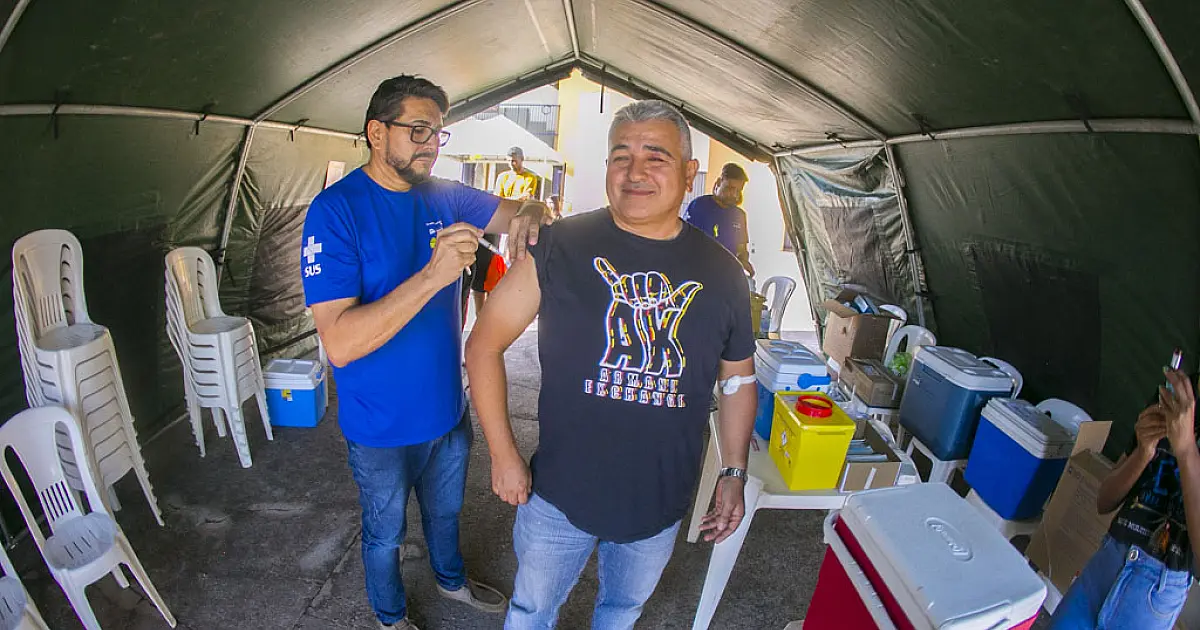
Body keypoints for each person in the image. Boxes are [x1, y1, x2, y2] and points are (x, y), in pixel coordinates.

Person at [465, 100, 758, 629]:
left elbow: (737, 381)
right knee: (531, 611)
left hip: (658, 501)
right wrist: (503, 454)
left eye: (656, 156)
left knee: (621, 612)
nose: (635, 171)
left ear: (690, 173)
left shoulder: (723, 274)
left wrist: (734, 472)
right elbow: (483, 344)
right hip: (557, 495)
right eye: (620, 155)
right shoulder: (560, 246)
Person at [301, 75, 549, 630]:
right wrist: (434, 275)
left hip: (447, 410)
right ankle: (390, 616)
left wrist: (533, 205)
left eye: (438, 132)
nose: (430, 144)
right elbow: (339, 342)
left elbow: (517, 215)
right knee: (385, 532)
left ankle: (451, 581)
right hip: (380, 425)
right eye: (417, 130)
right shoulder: (335, 211)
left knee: (446, 513)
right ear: (375, 132)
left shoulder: (448, 194)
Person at [1049, 369, 1199, 629]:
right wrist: (1143, 452)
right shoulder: (1172, 394)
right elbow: (1104, 500)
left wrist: (1186, 451)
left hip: (1155, 592)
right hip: (1106, 561)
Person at [468, 147, 539, 315]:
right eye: (509, 160)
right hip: (499, 225)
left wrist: (507, 202)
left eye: (514, 160)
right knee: (489, 265)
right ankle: (483, 312)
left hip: (518, 223)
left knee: (511, 259)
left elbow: (525, 199)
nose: (511, 163)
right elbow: (496, 200)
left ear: (521, 159)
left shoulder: (530, 177)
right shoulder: (503, 177)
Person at [682, 162, 754, 276]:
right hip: (697, 273)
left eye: (738, 191)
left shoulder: (739, 215)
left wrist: (744, 262)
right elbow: (683, 240)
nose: (734, 195)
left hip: (726, 276)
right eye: (730, 188)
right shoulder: (699, 206)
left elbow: (742, 249)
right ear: (719, 182)